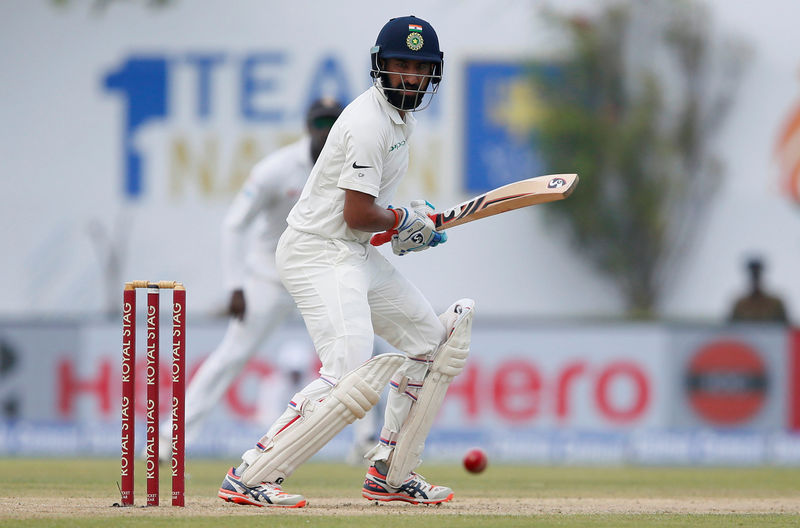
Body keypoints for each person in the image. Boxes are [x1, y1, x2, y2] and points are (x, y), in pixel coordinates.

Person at [217, 15, 475, 508]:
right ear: (381, 68)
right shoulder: (366, 122)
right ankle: (251, 475)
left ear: (431, 75)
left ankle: (391, 475)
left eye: (418, 69)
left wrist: (405, 225)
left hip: (348, 250)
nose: (408, 77)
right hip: (316, 251)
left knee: (432, 343)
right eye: (399, 65)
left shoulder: (403, 120)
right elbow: (358, 213)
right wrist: (402, 220)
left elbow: (364, 218)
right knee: (350, 370)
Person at [157, 97, 345, 461]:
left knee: (351, 354)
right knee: (232, 355)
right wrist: (235, 286)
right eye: (320, 124)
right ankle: (171, 438)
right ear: (307, 127)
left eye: (333, 124)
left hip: (322, 275)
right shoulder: (275, 169)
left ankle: (366, 443)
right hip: (269, 277)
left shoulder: (352, 165)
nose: (326, 132)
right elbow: (234, 224)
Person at [729, 256, 789, 324]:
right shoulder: (740, 305)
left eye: (757, 275)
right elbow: (732, 328)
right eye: (753, 275)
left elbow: (785, 327)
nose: (755, 278)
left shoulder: (775, 304)